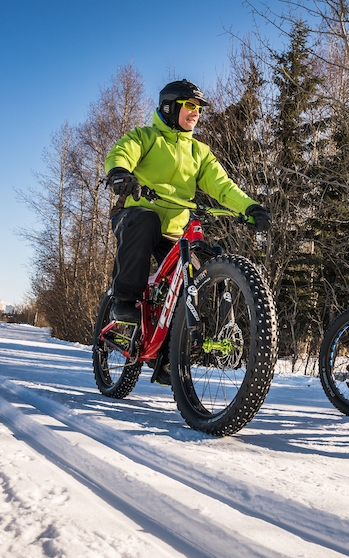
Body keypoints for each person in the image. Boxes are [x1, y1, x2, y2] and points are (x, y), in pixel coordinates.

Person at [103, 79, 271, 383]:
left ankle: (170, 356)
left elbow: (223, 186)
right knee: (146, 221)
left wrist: (249, 207)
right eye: (190, 106)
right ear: (170, 107)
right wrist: (119, 173)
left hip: (174, 231)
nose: (196, 112)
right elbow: (121, 153)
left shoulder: (199, 152)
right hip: (135, 215)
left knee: (192, 273)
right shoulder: (146, 137)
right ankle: (123, 301)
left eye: (199, 108)